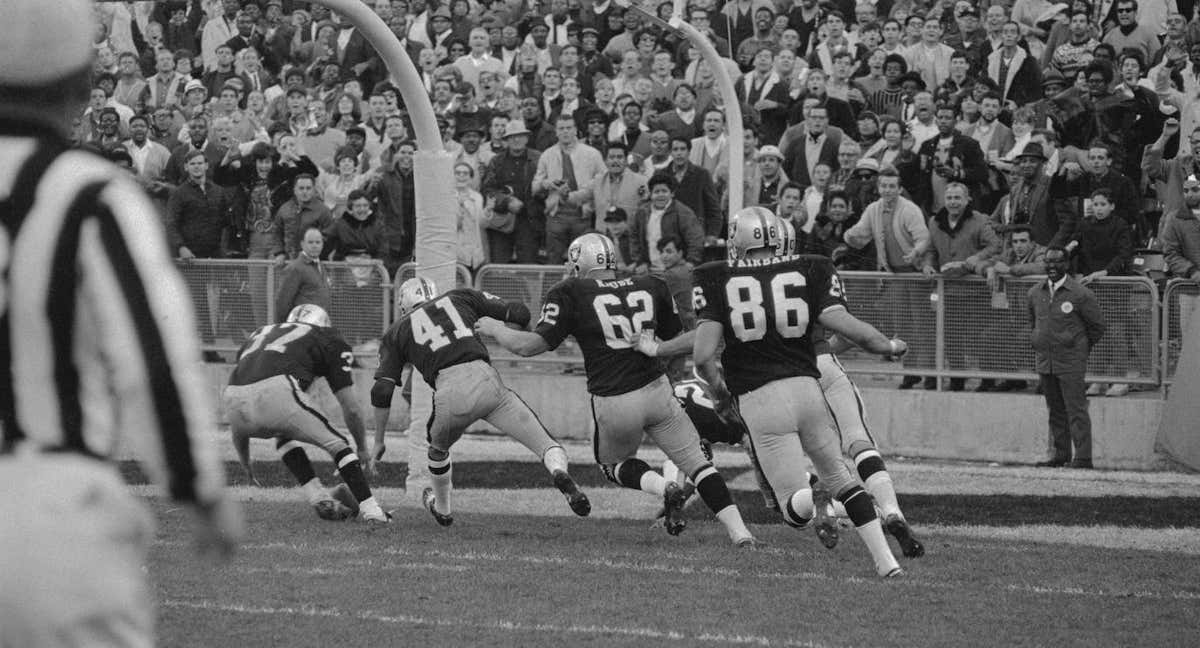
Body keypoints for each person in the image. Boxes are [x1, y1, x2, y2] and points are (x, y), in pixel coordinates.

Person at [0, 0, 240, 643]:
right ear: (81, 86)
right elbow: (149, 353)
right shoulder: (88, 193)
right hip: (44, 506)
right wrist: (196, 485)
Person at [475, 234, 757, 546]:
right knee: (699, 465)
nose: (568, 268)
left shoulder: (569, 291)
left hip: (614, 399)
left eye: (572, 262)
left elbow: (528, 347)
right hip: (658, 391)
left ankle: (664, 487)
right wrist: (657, 349)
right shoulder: (651, 284)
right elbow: (686, 339)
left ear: (581, 262)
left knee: (613, 466)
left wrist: (495, 328)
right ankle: (740, 533)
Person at [679, 207, 906, 577]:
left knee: (791, 508)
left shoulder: (714, 276)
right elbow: (850, 328)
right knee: (842, 478)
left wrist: (721, 395)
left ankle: (813, 499)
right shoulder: (810, 268)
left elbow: (704, 355)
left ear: (737, 240)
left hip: (760, 399)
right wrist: (890, 346)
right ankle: (887, 564)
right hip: (808, 389)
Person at [372, 278, 591, 526]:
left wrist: (379, 440)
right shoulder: (459, 297)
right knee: (545, 443)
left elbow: (382, 390)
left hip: (449, 391)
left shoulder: (396, 331)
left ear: (403, 303)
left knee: (437, 450)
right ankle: (559, 473)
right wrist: (502, 330)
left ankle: (442, 509)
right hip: (487, 379)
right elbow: (519, 312)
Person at [225, 304, 389, 522]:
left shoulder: (261, 333)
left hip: (232, 401)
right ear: (323, 324)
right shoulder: (326, 337)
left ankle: (319, 496)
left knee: (284, 435)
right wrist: (361, 449)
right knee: (338, 444)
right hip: (275, 393)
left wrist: (244, 459)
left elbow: (244, 390)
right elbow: (351, 409)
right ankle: (373, 512)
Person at [1029, 247, 1105, 470]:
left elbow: (1098, 326)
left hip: (1071, 361)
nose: (1052, 266)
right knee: (1055, 409)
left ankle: (1083, 458)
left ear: (1067, 264)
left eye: (1058, 262)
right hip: (1046, 360)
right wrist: (1037, 339)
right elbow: (1031, 322)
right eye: (1048, 262)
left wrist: (1079, 347)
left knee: (1076, 409)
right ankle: (1060, 454)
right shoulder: (1035, 292)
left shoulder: (1081, 294)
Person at [275, 226, 331, 321]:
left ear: (322, 245)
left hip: (318, 324)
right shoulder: (295, 268)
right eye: (310, 242)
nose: (314, 245)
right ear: (302, 244)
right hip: (301, 325)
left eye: (318, 242)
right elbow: (283, 301)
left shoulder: (321, 266)